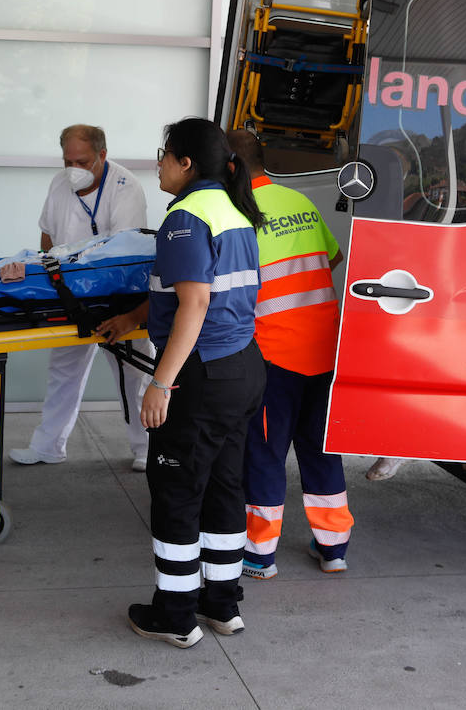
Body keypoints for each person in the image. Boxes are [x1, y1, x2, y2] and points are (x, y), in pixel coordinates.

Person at [126, 118, 267, 649]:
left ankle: (175, 613)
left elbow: (196, 303)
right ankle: (222, 604)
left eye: (164, 155)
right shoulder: (233, 209)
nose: (158, 164)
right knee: (224, 486)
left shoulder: (185, 217)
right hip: (243, 366)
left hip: (200, 373)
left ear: (186, 163)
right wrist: (131, 319)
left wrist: (161, 383)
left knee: (177, 491)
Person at [226, 130, 355, 580]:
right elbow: (331, 258)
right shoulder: (299, 202)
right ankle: (334, 547)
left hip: (275, 353)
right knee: (322, 451)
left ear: (230, 167)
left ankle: (259, 554)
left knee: (264, 453)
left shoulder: (238, 213)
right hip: (324, 347)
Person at [5, 124, 152, 472]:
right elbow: (47, 234)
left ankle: (147, 446)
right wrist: (53, 281)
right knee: (63, 369)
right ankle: (48, 445)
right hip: (71, 294)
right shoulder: (60, 183)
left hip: (116, 296)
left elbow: (125, 252)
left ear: (102, 155)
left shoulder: (124, 187)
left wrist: (125, 312)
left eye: (82, 161)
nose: (74, 168)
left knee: (135, 372)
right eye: (68, 159)